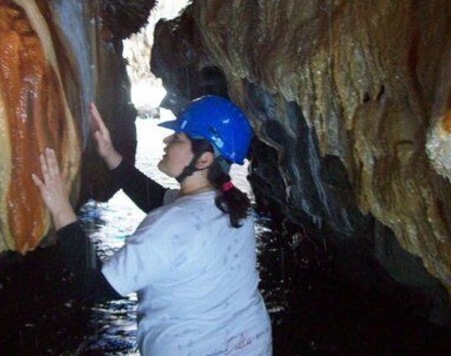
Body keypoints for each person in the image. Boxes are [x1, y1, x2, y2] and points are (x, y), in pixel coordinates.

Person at [32, 95, 273, 355]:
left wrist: (60, 208)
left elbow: (97, 286)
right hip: (251, 344)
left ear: (203, 159)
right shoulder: (234, 205)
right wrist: (111, 154)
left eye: (177, 138)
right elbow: (157, 199)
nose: (166, 141)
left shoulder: (170, 224)